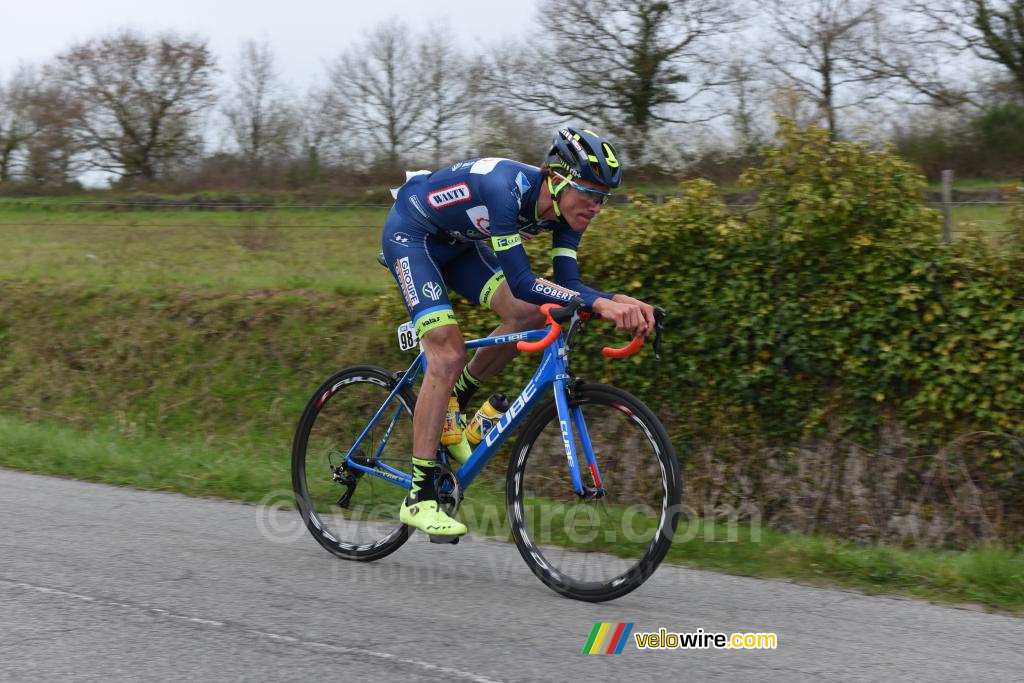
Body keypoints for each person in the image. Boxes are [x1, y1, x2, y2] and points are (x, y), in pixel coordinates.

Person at [381, 127, 655, 536]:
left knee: (528, 316)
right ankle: (418, 497)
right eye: (591, 194)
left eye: (604, 198)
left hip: (458, 245)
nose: (597, 207)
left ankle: (457, 396)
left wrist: (621, 300)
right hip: (412, 235)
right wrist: (601, 306)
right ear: (559, 181)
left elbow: (569, 285)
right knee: (447, 354)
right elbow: (524, 280)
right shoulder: (506, 188)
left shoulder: (567, 214)